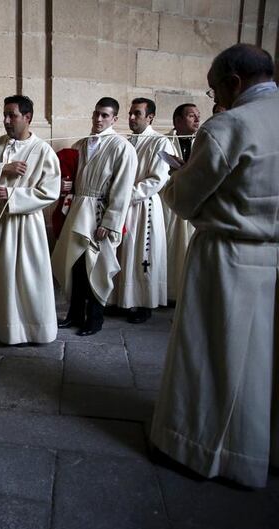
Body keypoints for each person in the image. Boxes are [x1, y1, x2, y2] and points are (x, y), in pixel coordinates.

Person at [150, 44, 279, 488]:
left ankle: (197, 447)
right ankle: (262, 447)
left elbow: (184, 200)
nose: (214, 100)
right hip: (273, 256)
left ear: (233, 82)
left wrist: (178, 175)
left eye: (213, 90)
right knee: (265, 360)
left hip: (228, 254)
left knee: (211, 354)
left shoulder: (229, 125)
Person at [0, 95, 61, 344]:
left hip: (24, 223)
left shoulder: (42, 150)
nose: (6, 120)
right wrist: (1, 169)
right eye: (5, 114)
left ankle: (24, 328)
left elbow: (50, 191)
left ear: (27, 117)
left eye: (12, 115)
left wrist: (12, 195)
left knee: (22, 275)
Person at [51, 97, 137, 336]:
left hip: (99, 213)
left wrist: (110, 223)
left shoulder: (122, 147)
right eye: (96, 114)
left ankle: (95, 319)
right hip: (77, 211)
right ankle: (74, 314)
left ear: (115, 119)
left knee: (96, 267)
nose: (99, 119)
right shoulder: (81, 144)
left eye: (105, 115)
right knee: (76, 266)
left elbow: (122, 189)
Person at [114, 98, 173, 323]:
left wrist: (126, 194)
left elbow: (158, 178)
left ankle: (144, 303)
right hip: (124, 206)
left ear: (150, 117)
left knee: (142, 255)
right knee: (125, 252)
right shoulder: (127, 141)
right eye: (130, 113)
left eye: (137, 114)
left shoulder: (160, 142)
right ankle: (124, 300)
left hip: (144, 206)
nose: (131, 118)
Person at [163, 103, 200, 302]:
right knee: (171, 248)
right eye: (191, 116)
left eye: (198, 116)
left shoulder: (202, 142)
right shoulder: (164, 141)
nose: (196, 119)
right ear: (177, 120)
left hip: (192, 202)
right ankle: (169, 292)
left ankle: (185, 293)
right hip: (170, 203)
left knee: (187, 248)